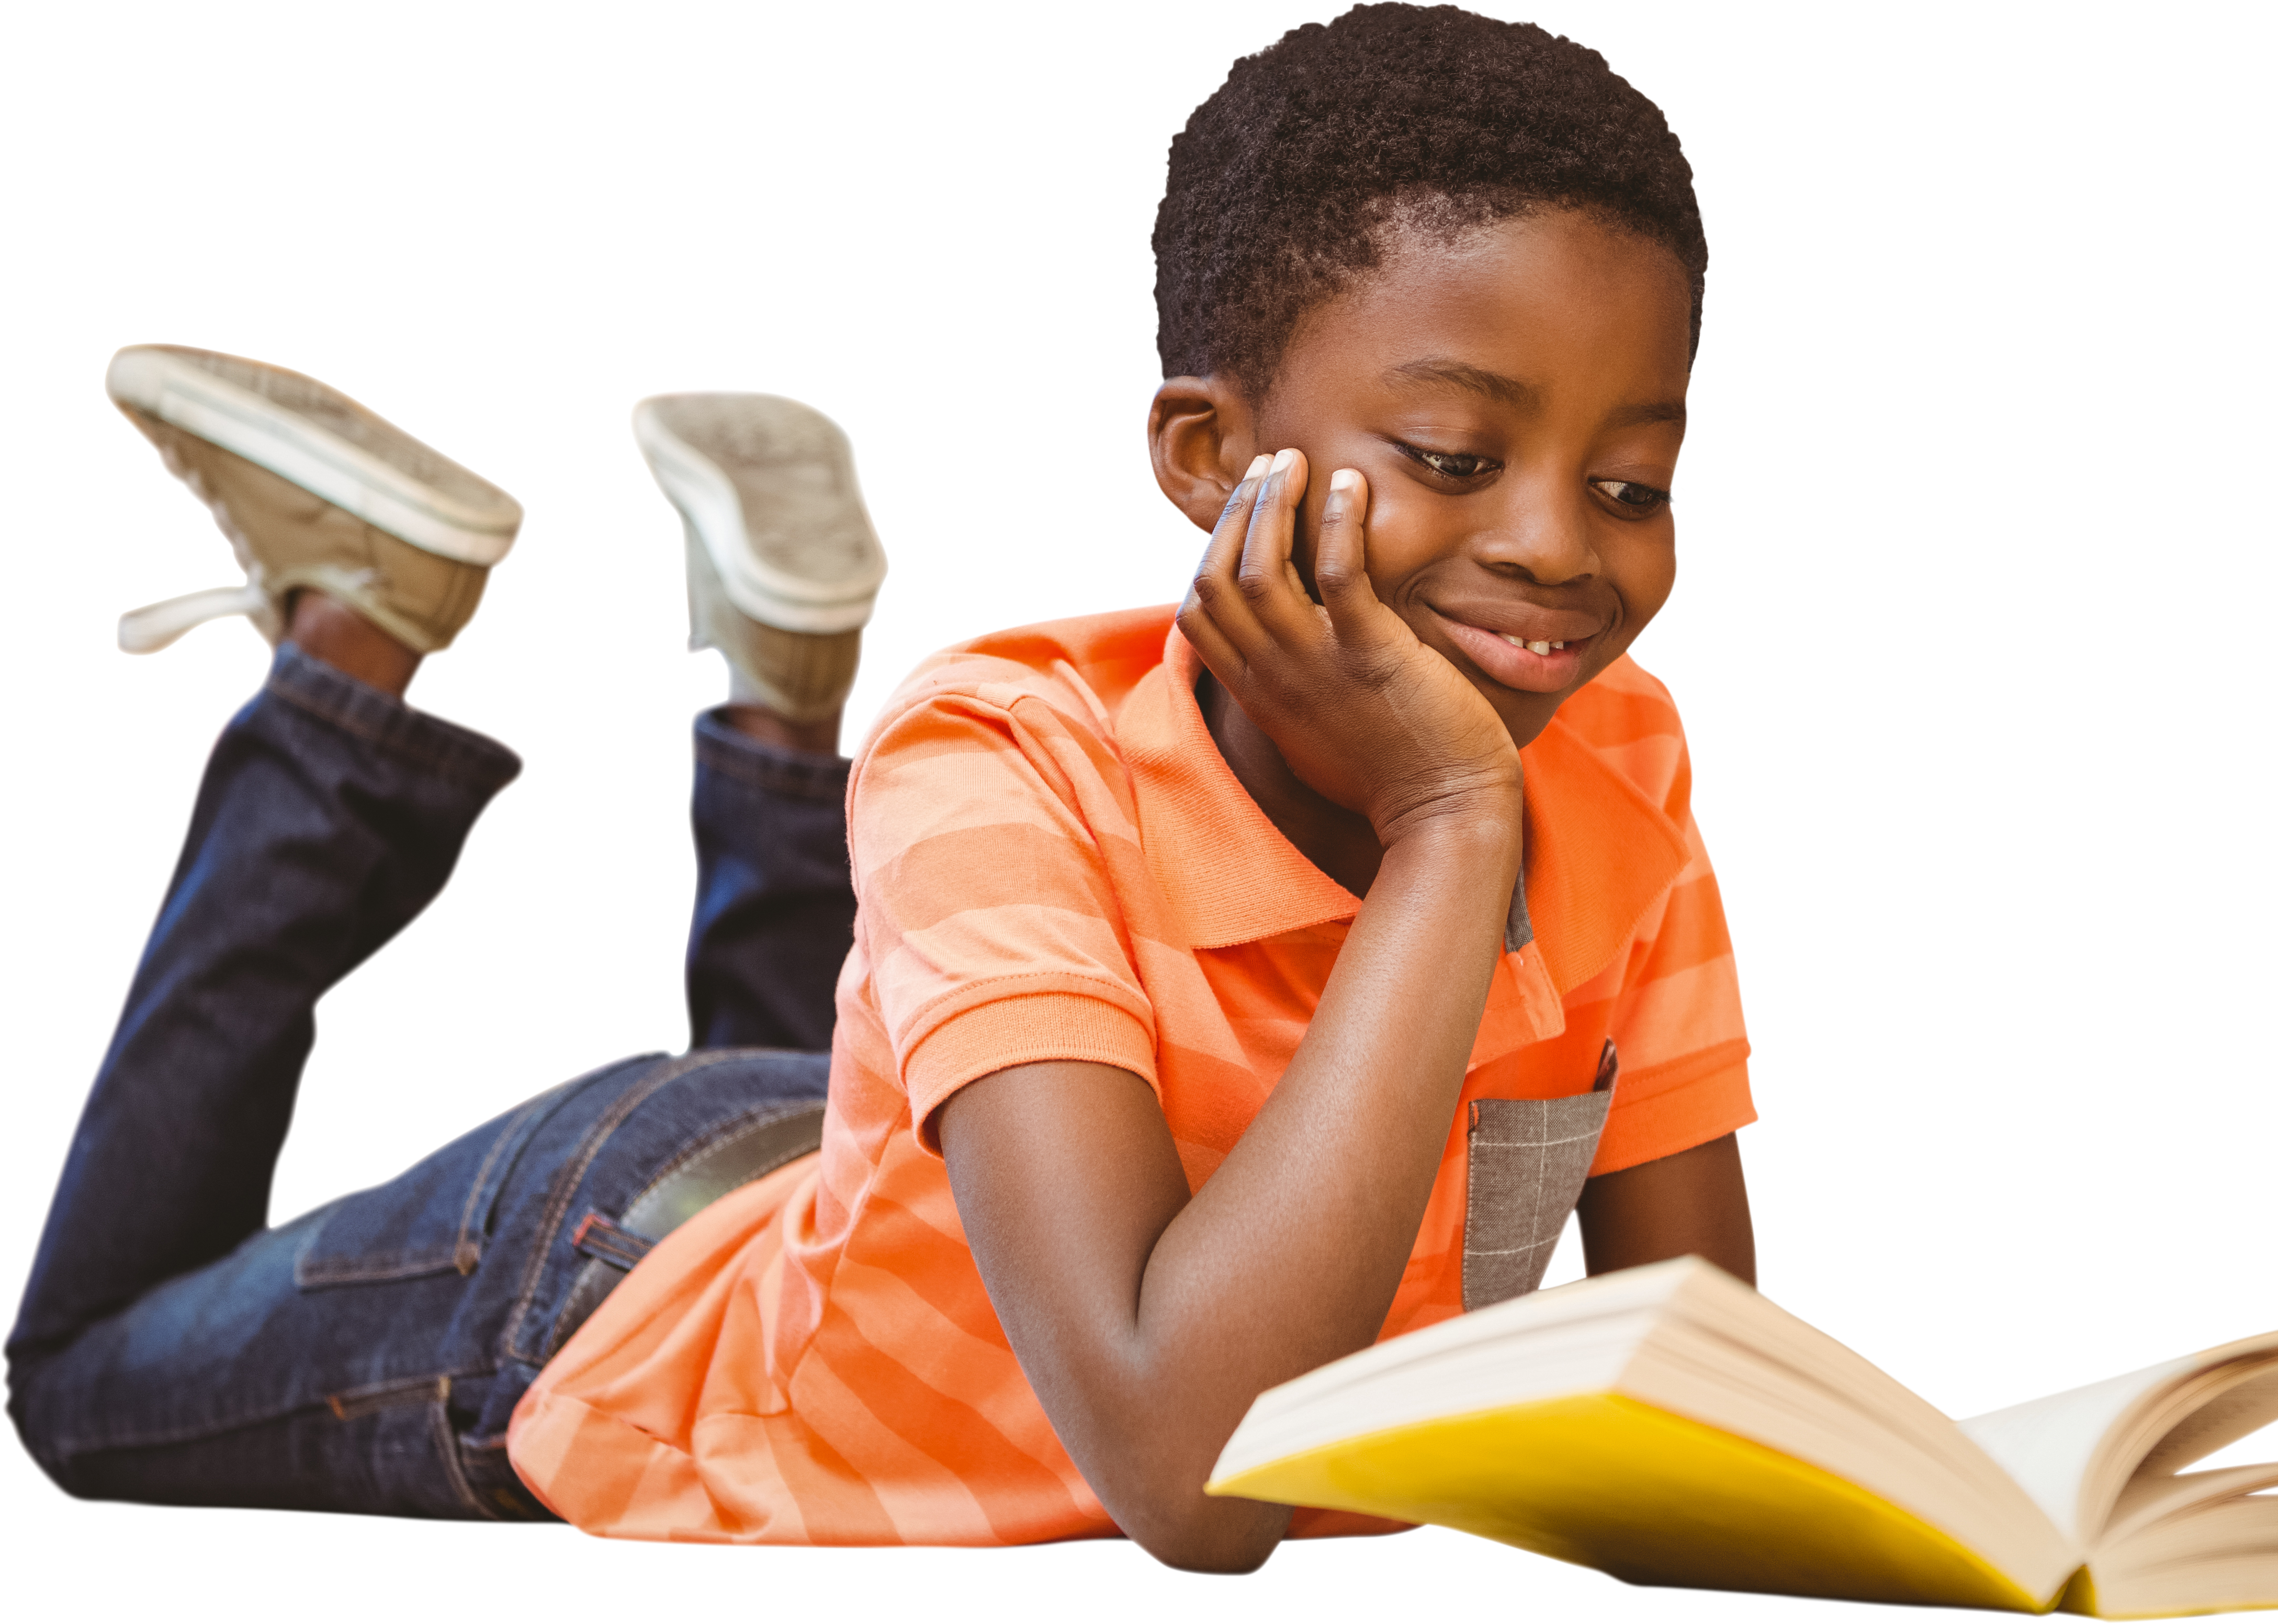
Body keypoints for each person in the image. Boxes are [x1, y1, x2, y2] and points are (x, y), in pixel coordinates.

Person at [6, 1, 1760, 1574]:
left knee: (893, 1094)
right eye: (1457, 459)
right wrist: (1449, 827)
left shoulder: (1619, 754)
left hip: (913, 1148)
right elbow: (1196, 1480)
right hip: (604, 1287)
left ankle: (776, 696)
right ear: (1209, 456)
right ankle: (351, 658)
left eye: (1632, 486)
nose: (1553, 548)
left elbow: (1700, 1365)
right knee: (81, 1385)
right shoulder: (998, 761)